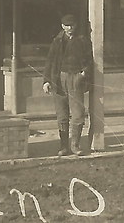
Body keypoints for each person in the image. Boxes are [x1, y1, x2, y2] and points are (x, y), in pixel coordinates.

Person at [42, 14, 93, 156]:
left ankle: (75, 145)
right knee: (62, 114)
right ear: (62, 26)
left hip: (75, 78)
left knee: (77, 114)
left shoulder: (83, 41)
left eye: (72, 25)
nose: (70, 28)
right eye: (66, 26)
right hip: (59, 79)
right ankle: (63, 146)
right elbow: (50, 62)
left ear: (76, 26)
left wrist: (83, 74)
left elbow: (90, 61)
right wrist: (46, 81)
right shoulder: (57, 41)